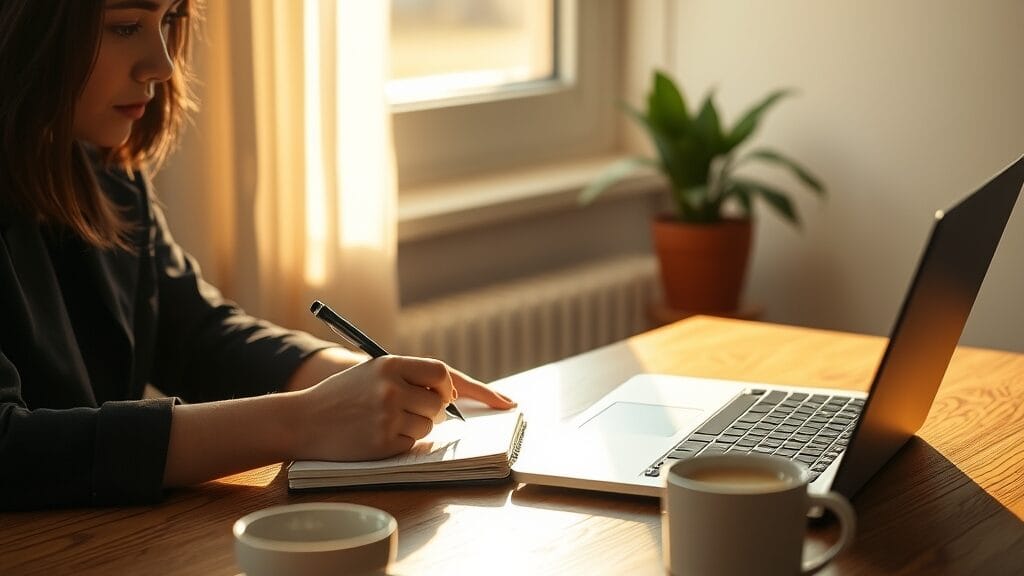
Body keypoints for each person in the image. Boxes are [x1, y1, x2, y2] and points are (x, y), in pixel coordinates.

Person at [0, 0, 515, 511]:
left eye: (169, 20)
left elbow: (196, 334)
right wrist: (305, 420)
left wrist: (351, 375)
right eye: (125, 26)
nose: (162, 64)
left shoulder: (97, 165)